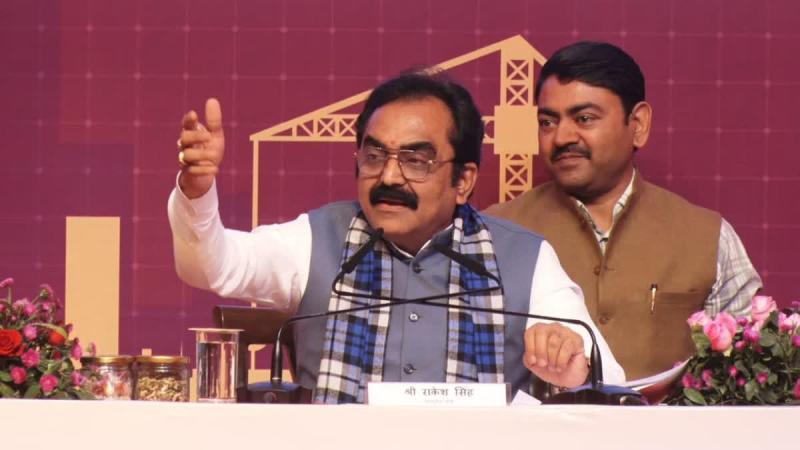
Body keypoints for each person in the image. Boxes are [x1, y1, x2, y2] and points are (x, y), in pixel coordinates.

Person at [169, 72, 624, 404]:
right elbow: (215, 266)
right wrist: (197, 191)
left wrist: (571, 370)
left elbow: (610, 383)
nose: (389, 177)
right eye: (374, 156)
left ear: (464, 180)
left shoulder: (523, 257)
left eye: (415, 161)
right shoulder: (317, 238)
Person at [485, 42, 762, 380]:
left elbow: (747, 375)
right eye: (547, 122)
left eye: (584, 118)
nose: (561, 137)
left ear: (638, 124)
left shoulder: (708, 237)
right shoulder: (494, 233)